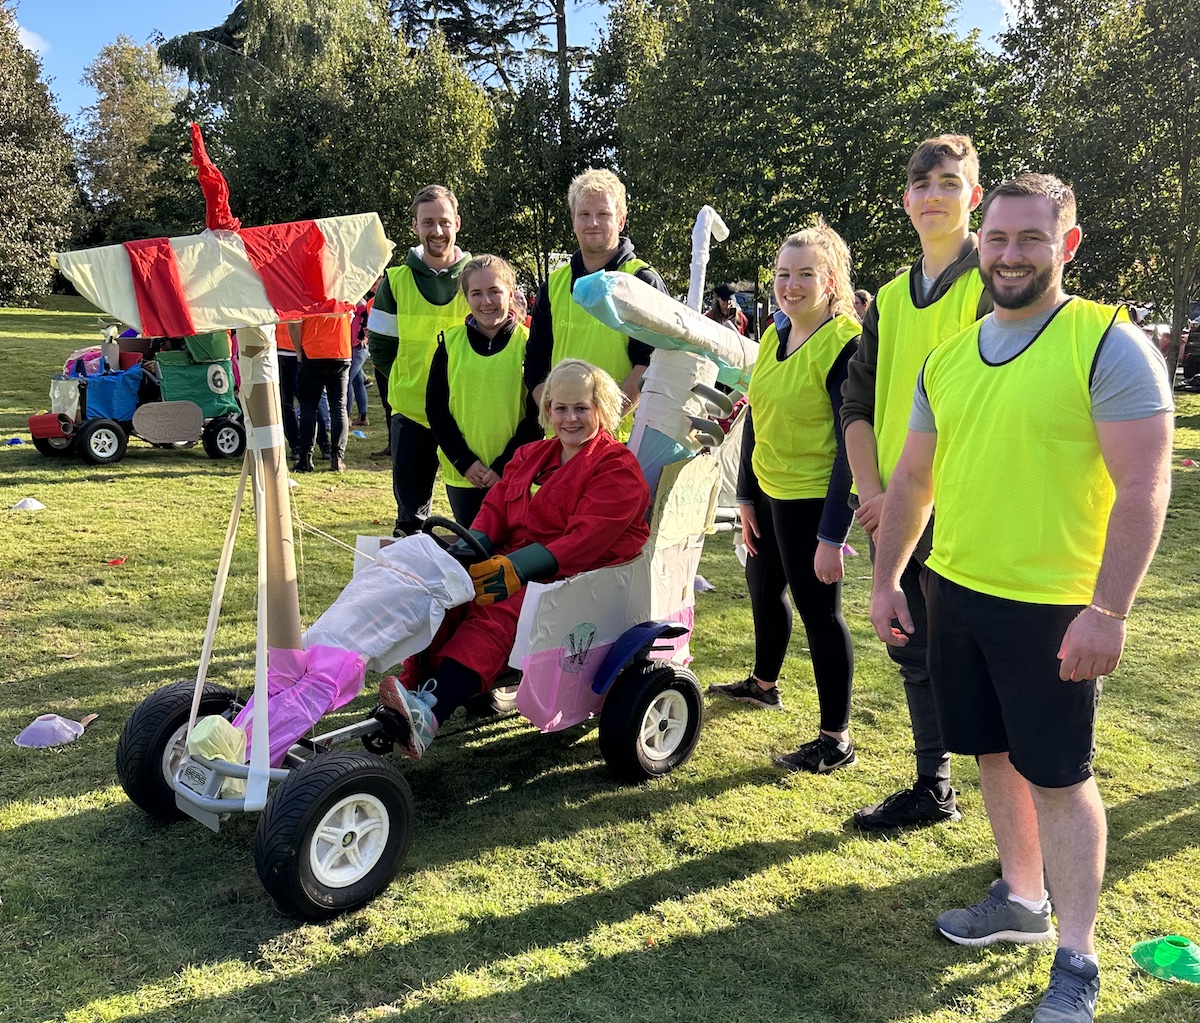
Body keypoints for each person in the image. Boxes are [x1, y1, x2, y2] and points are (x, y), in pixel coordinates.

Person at [869, 174, 1172, 1023]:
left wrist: (1108, 609)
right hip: (956, 590)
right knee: (992, 756)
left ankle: (1076, 956)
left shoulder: (1106, 341)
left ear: (1065, 245)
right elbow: (914, 478)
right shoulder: (950, 355)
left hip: (1055, 608)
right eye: (997, 238)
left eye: (1030, 239)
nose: (1009, 254)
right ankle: (1022, 901)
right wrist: (890, 576)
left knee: (1061, 777)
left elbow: (1144, 481)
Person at [376, 359, 651, 758]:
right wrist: (470, 549)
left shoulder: (616, 468)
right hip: (514, 564)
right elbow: (497, 507)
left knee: (497, 610)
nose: (570, 418)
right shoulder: (530, 455)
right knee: (444, 596)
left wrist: (519, 568)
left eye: (582, 408)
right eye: (561, 408)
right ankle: (412, 688)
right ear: (547, 410)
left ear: (602, 409)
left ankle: (432, 709)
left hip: (574, 577)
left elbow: (586, 539)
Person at [840, 133, 991, 830]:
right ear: (906, 200)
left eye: (949, 183)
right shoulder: (891, 298)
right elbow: (857, 403)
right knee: (913, 650)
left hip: (968, 510)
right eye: (921, 184)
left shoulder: (992, 286)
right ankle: (934, 787)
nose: (933, 195)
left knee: (986, 660)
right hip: (898, 512)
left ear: (974, 197)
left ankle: (1025, 829)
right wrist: (874, 491)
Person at [707, 222, 860, 774]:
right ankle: (763, 684)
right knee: (763, 591)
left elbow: (853, 447)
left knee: (822, 615)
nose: (790, 285)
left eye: (805, 275)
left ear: (832, 280)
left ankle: (835, 737)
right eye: (782, 274)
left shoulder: (845, 346)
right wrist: (746, 494)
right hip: (768, 491)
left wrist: (831, 535)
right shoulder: (774, 334)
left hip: (812, 500)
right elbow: (756, 416)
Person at [525, 168, 669, 439]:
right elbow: (535, 367)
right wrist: (561, 420)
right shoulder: (553, 285)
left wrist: (600, 422)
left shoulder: (641, 280)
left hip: (624, 441)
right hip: (562, 443)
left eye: (603, 214)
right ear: (573, 221)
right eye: (584, 215)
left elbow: (651, 365)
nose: (593, 223)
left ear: (621, 220)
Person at [366, 185, 471, 532]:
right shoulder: (395, 281)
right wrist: (411, 379)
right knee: (410, 521)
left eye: (443, 221)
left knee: (477, 519)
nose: (437, 231)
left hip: (467, 414)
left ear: (457, 222)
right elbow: (380, 348)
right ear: (415, 226)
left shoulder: (479, 277)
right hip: (412, 415)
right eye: (428, 223)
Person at [425, 254, 541, 526]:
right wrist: (464, 462)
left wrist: (504, 466)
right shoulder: (450, 343)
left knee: (510, 558)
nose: (486, 301)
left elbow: (538, 416)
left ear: (510, 294)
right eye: (476, 293)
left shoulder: (529, 345)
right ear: (466, 297)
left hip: (514, 474)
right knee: (474, 556)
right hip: (465, 476)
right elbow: (436, 409)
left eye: (494, 292)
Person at [294, 313, 352, 472]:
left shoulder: (307, 291)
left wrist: (299, 351)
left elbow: (294, 323)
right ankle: (337, 459)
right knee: (338, 408)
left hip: (314, 351)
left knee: (308, 407)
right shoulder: (343, 290)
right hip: (340, 352)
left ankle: (305, 459)